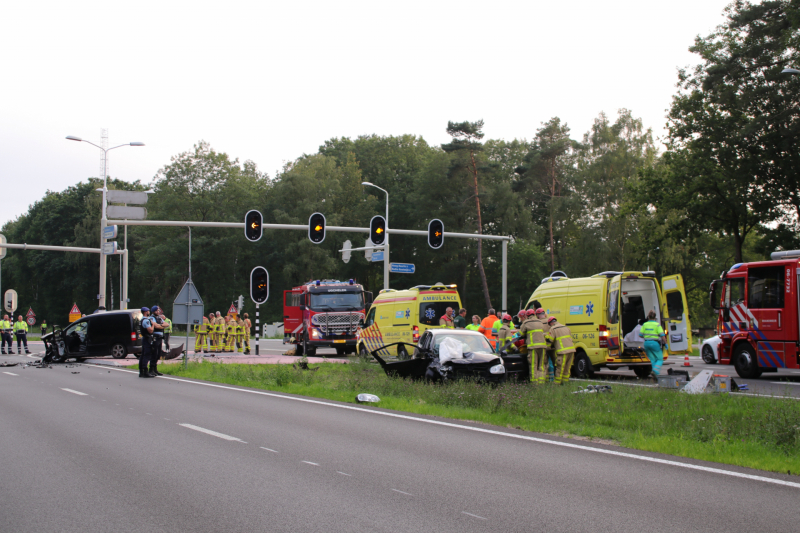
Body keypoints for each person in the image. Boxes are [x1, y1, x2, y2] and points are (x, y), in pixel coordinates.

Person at [544, 316, 576, 384]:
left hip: (562, 351)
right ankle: (565, 382)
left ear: (550, 323)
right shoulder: (566, 327)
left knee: (560, 368)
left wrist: (546, 336)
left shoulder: (553, 328)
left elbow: (550, 340)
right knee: (567, 368)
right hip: (571, 350)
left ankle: (557, 383)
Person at [520, 309, 547, 383]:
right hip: (543, 346)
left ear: (527, 316)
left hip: (533, 347)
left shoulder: (526, 322)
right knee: (541, 365)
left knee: (533, 365)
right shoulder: (540, 322)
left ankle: (534, 382)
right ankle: (541, 382)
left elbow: (521, 334)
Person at [639, 311, 665, 377]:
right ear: (655, 317)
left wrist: (647, 336)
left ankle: (654, 375)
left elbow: (640, 335)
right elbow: (662, 335)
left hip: (646, 343)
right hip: (654, 343)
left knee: (653, 359)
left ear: (648, 317)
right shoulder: (657, 325)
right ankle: (655, 370)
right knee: (660, 359)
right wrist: (666, 343)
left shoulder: (644, 324)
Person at [149, 306, 166, 376]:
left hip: (160, 337)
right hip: (155, 337)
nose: (158, 312)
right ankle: (151, 369)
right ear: (153, 311)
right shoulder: (152, 318)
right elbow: (155, 326)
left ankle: (155, 369)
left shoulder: (159, 318)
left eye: (158, 310)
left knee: (158, 354)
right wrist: (162, 326)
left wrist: (160, 325)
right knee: (154, 354)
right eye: (156, 311)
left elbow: (167, 324)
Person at [139, 307, 155, 378]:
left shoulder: (142, 320)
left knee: (143, 355)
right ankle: (145, 371)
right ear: (145, 312)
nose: (149, 312)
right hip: (147, 339)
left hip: (144, 338)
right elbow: (150, 330)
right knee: (146, 355)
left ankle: (141, 371)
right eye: (148, 311)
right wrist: (153, 325)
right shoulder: (146, 321)